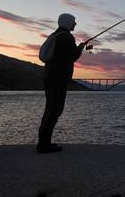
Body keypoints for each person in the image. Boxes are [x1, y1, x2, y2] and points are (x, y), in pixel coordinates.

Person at [37, 13, 86, 153]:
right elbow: (71, 57)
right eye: (73, 22)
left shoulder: (55, 35)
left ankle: (43, 142)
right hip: (58, 78)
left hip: (49, 76)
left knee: (49, 109)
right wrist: (80, 48)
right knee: (55, 110)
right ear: (67, 22)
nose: (75, 24)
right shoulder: (66, 37)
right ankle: (44, 145)